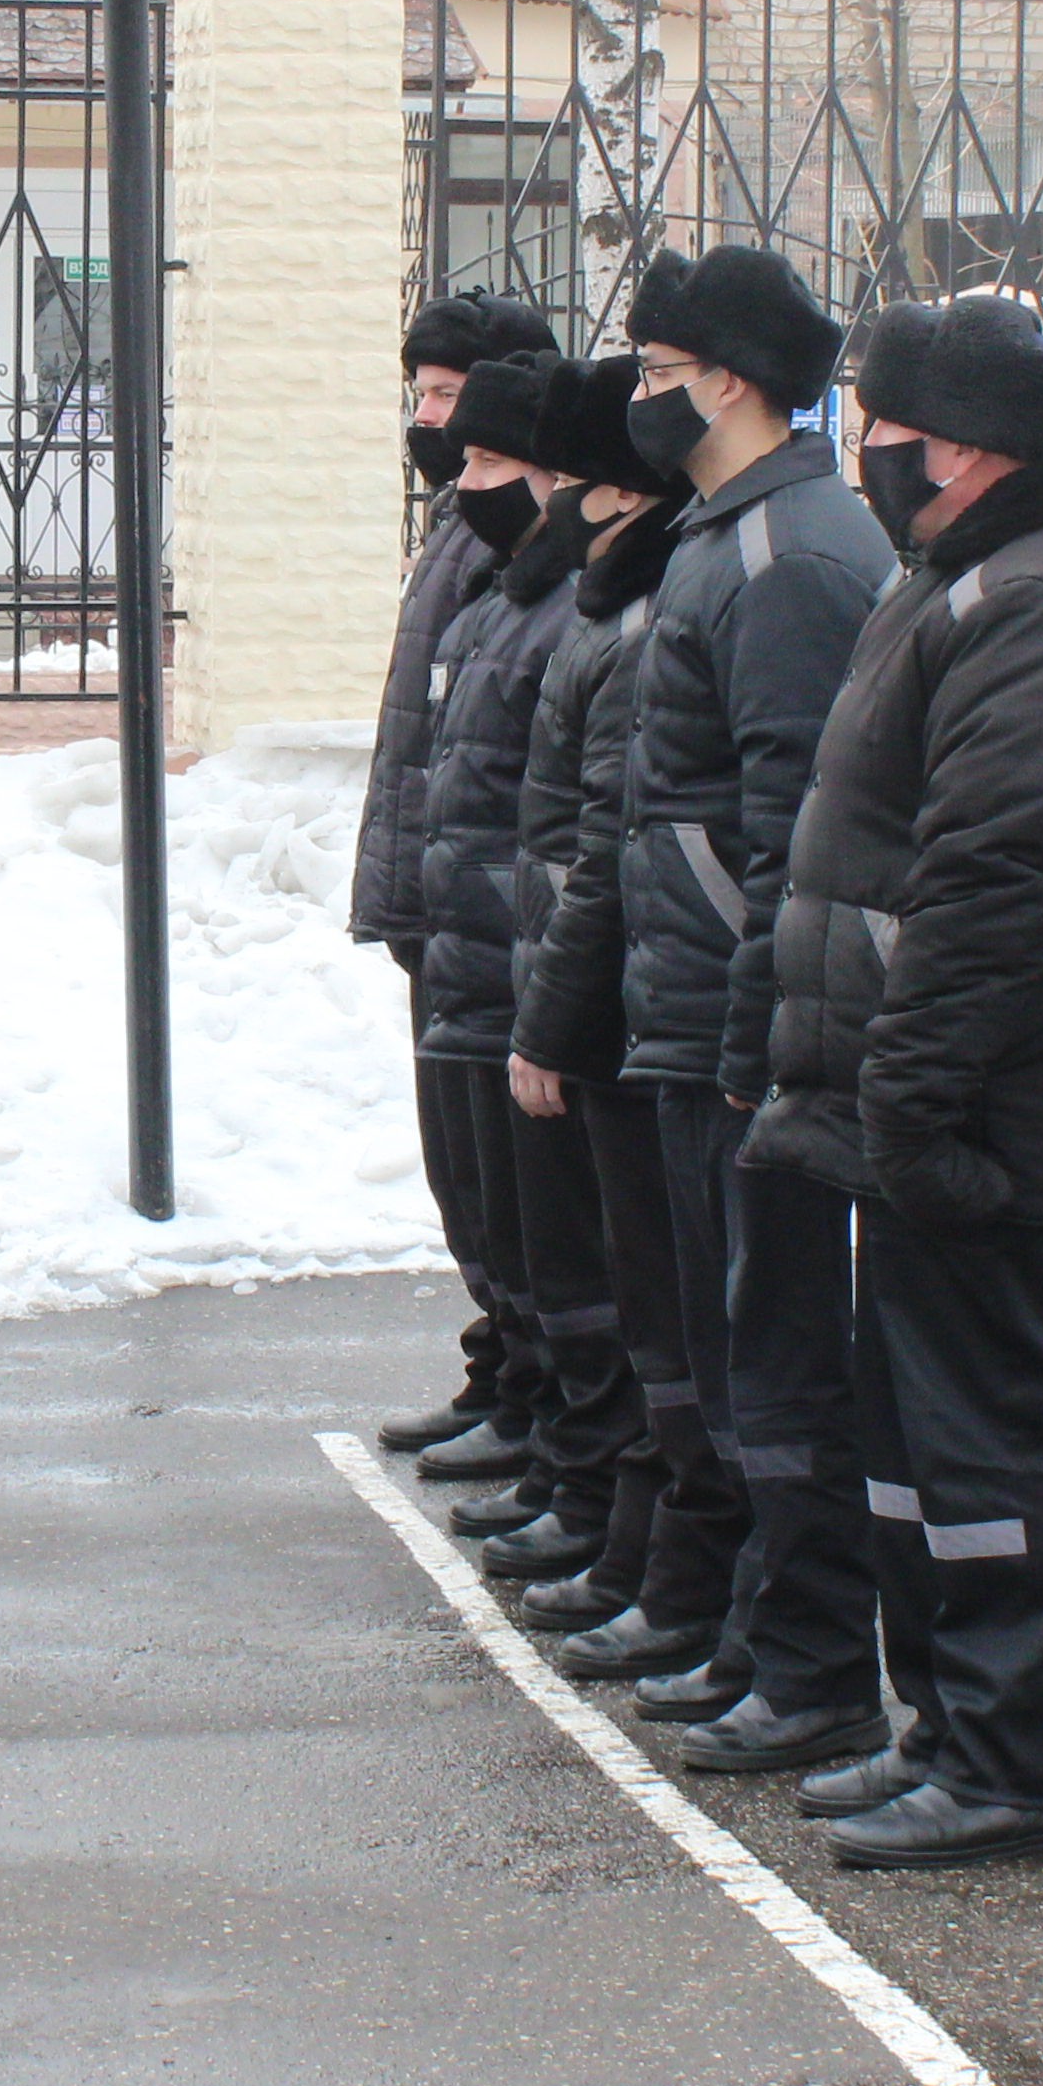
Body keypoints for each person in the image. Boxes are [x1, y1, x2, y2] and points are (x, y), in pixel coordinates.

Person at [754, 295, 1043, 1866]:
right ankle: (948, 1727)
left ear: (968, 446)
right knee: (922, 1450)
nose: (862, 450)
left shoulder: (1042, 602)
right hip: (927, 1093)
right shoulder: (969, 575)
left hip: (994, 1106)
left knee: (993, 1450)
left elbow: (994, 879)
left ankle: (1010, 1769)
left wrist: (914, 1102)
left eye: (883, 426)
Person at [605, 245, 894, 1767]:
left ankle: (818, 1673)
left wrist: (748, 1041)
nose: (639, 398)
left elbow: (800, 834)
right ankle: (757, 1638)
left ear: (725, 379)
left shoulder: (796, 553)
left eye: (657, 372)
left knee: (782, 1363)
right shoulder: (730, 534)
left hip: (750, 1036)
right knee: (732, 1361)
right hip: (695, 1013)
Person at [414, 353, 616, 1584]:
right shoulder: (500, 586)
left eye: (492, 461)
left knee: (578, 1256)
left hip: (531, 960)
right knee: (505, 1222)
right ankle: (557, 1452)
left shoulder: (577, 606)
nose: (466, 479)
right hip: (480, 951)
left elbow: (575, 821)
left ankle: (582, 1471)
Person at [503, 357, 684, 1655]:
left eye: (573, 481)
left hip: (632, 996)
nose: (550, 505)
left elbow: (613, 836)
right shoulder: (602, 607)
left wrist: (557, 1011)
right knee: (616, 1279)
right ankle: (632, 1534)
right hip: (596, 980)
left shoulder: (643, 620)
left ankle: (652, 1549)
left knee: (655, 1305)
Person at [371, 289, 562, 1476]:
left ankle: (540, 1396)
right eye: (425, 397)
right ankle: (506, 1370)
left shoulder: (514, 539)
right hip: (447, 900)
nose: (429, 421)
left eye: (452, 400)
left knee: (516, 1188)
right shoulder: (459, 523)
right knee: (467, 1175)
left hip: (498, 914)